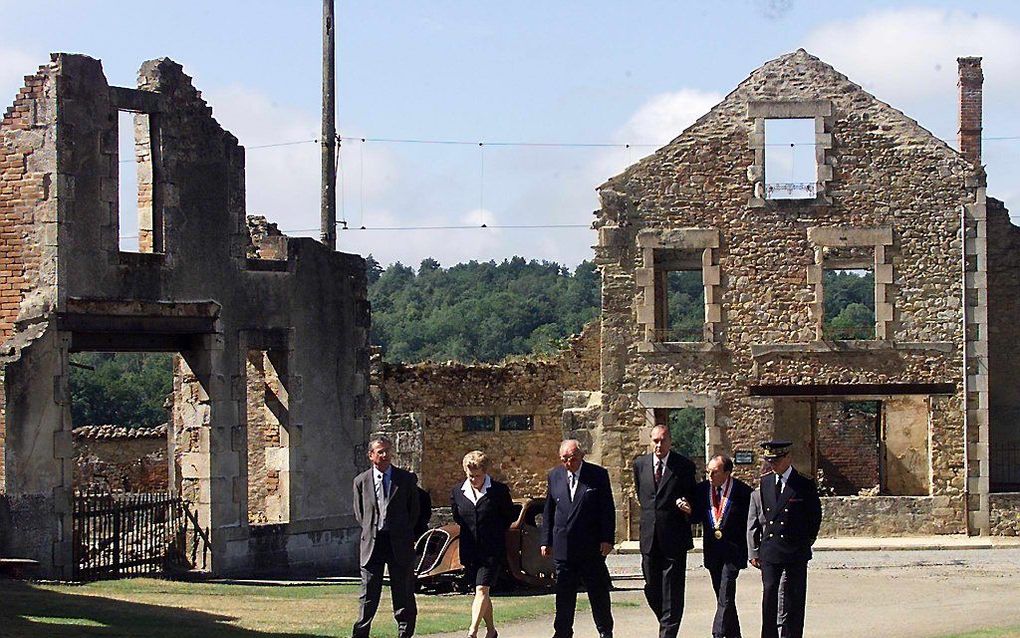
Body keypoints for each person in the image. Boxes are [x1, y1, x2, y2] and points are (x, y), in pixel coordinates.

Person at [746, 440, 822, 638]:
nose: (773, 464)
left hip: (794, 549)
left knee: (793, 598)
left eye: (777, 460)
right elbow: (762, 517)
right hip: (771, 549)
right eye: (770, 460)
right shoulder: (766, 482)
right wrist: (756, 549)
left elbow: (814, 517)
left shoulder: (803, 484)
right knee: (770, 595)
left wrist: (805, 541)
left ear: (788, 458)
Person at [541, 439, 616, 638]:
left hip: (590, 546)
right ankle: (562, 632)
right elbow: (549, 510)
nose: (569, 463)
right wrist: (545, 540)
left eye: (572, 459)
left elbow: (607, 509)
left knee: (598, 593)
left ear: (581, 456)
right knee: (564, 594)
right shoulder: (554, 476)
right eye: (565, 459)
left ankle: (605, 631)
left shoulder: (597, 475)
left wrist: (607, 539)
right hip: (563, 546)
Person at [632, 424, 697, 638]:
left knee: (673, 590)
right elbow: (644, 496)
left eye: (663, 440)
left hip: (674, 537)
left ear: (670, 441)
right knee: (652, 587)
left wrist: (688, 508)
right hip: (649, 537)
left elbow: (692, 497)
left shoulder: (684, 466)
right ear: (650, 441)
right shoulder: (640, 465)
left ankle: (668, 632)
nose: (659, 445)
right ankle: (666, 621)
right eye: (655, 441)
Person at [352, 437, 421, 638]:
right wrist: (372, 530)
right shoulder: (361, 482)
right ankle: (360, 634)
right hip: (373, 544)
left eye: (387, 451)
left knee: (403, 593)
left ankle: (404, 633)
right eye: (380, 452)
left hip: (398, 543)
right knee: (368, 595)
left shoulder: (406, 480)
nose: (385, 455)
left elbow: (414, 511)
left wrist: (405, 533)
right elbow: (360, 514)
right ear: (371, 455)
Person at [451, 450, 516, 638]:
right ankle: (491, 631)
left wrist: (493, 531)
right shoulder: (457, 492)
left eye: (477, 476)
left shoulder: (499, 491)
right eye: (470, 476)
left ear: (485, 472)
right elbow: (458, 517)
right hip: (470, 550)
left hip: (492, 550)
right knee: (481, 592)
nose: (473, 479)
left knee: (482, 588)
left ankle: (472, 631)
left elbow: (508, 516)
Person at [693, 454, 752, 638]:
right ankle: (734, 634)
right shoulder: (702, 490)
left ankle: (718, 633)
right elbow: (696, 517)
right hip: (713, 553)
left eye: (715, 472)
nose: (710, 476)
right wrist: (688, 510)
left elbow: (750, 523)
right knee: (722, 597)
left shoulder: (743, 492)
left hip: (733, 553)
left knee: (726, 594)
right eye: (708, 472)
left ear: (727, 473)